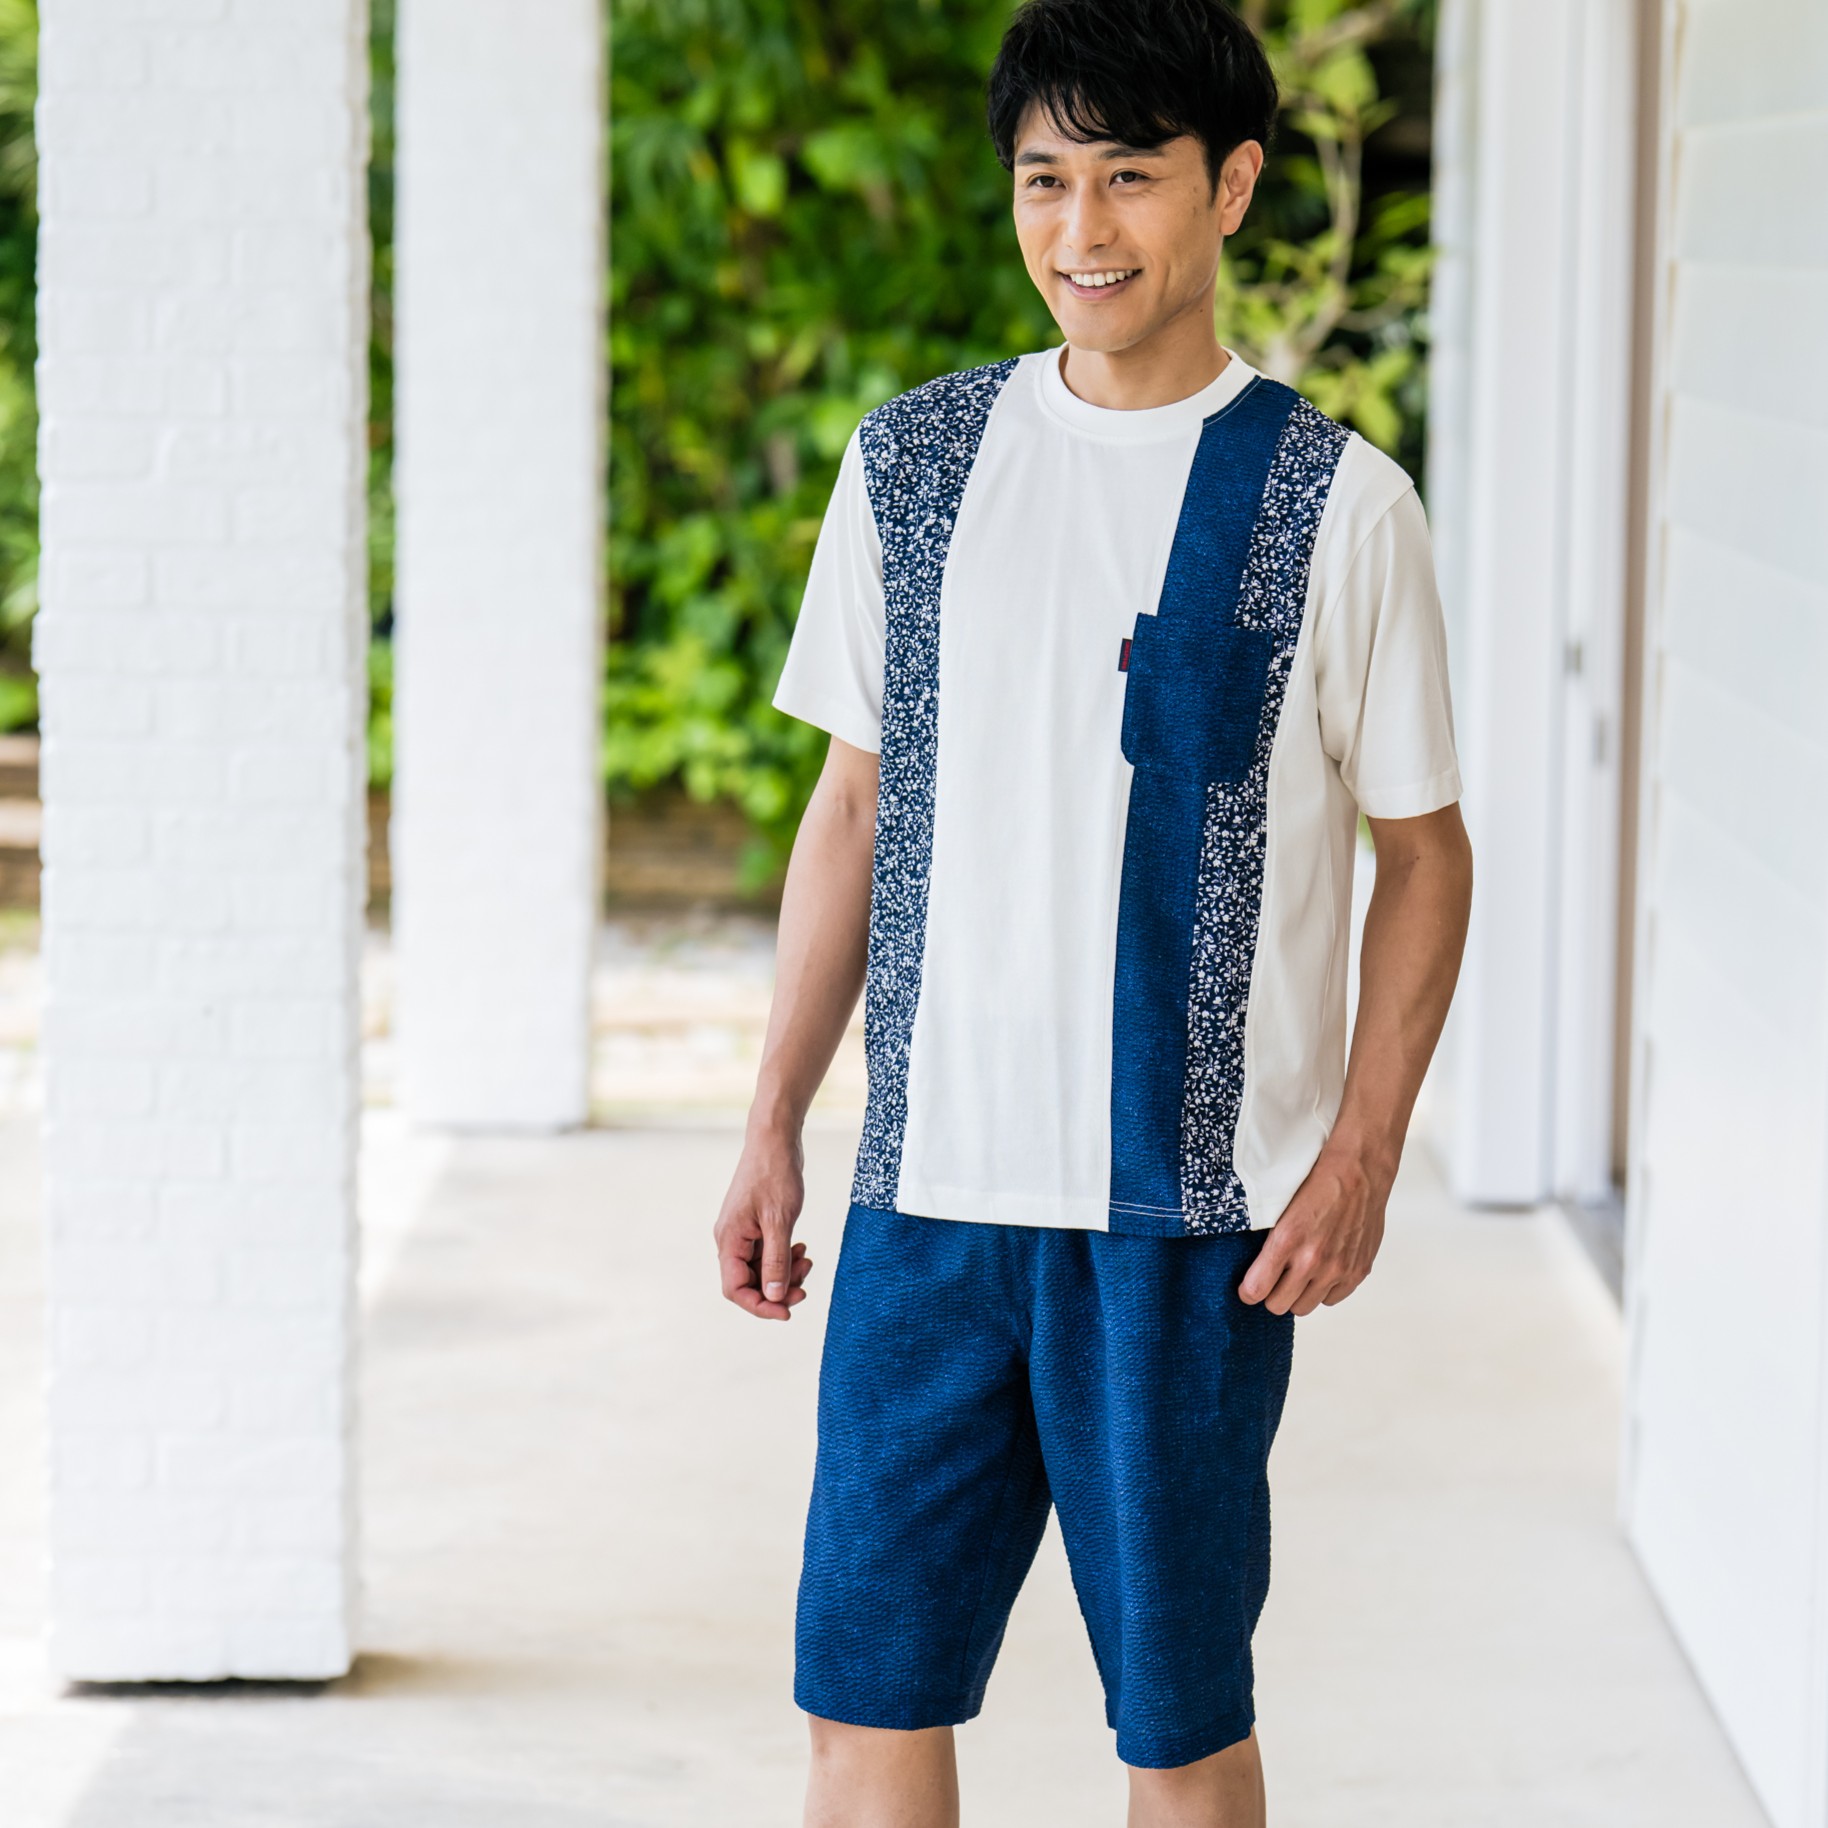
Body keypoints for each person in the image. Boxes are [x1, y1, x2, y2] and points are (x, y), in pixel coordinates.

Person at [712, 1, 1473, 1821]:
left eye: (1130, 177)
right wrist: (773, 1117)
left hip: (1187, 1227)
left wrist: (1363, 1153)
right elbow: (855, 804)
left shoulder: (1338, 505)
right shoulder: (911, 467)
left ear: (1234, 186)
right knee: (863, 1704)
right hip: (926, 1203)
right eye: (1045, 181)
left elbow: (1426, 854)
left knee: (1180, 1737)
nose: (1083, 230)